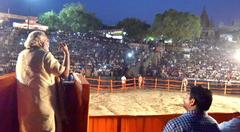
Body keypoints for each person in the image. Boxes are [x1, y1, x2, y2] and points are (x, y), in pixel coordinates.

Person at [16, 31, 70, 132]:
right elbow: (65, 73)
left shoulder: (21, 55)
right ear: (41, 42)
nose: (48, 43)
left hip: (25, 107)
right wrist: (66, 53)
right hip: (42, 107)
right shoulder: (45, 55)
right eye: (47, 41)